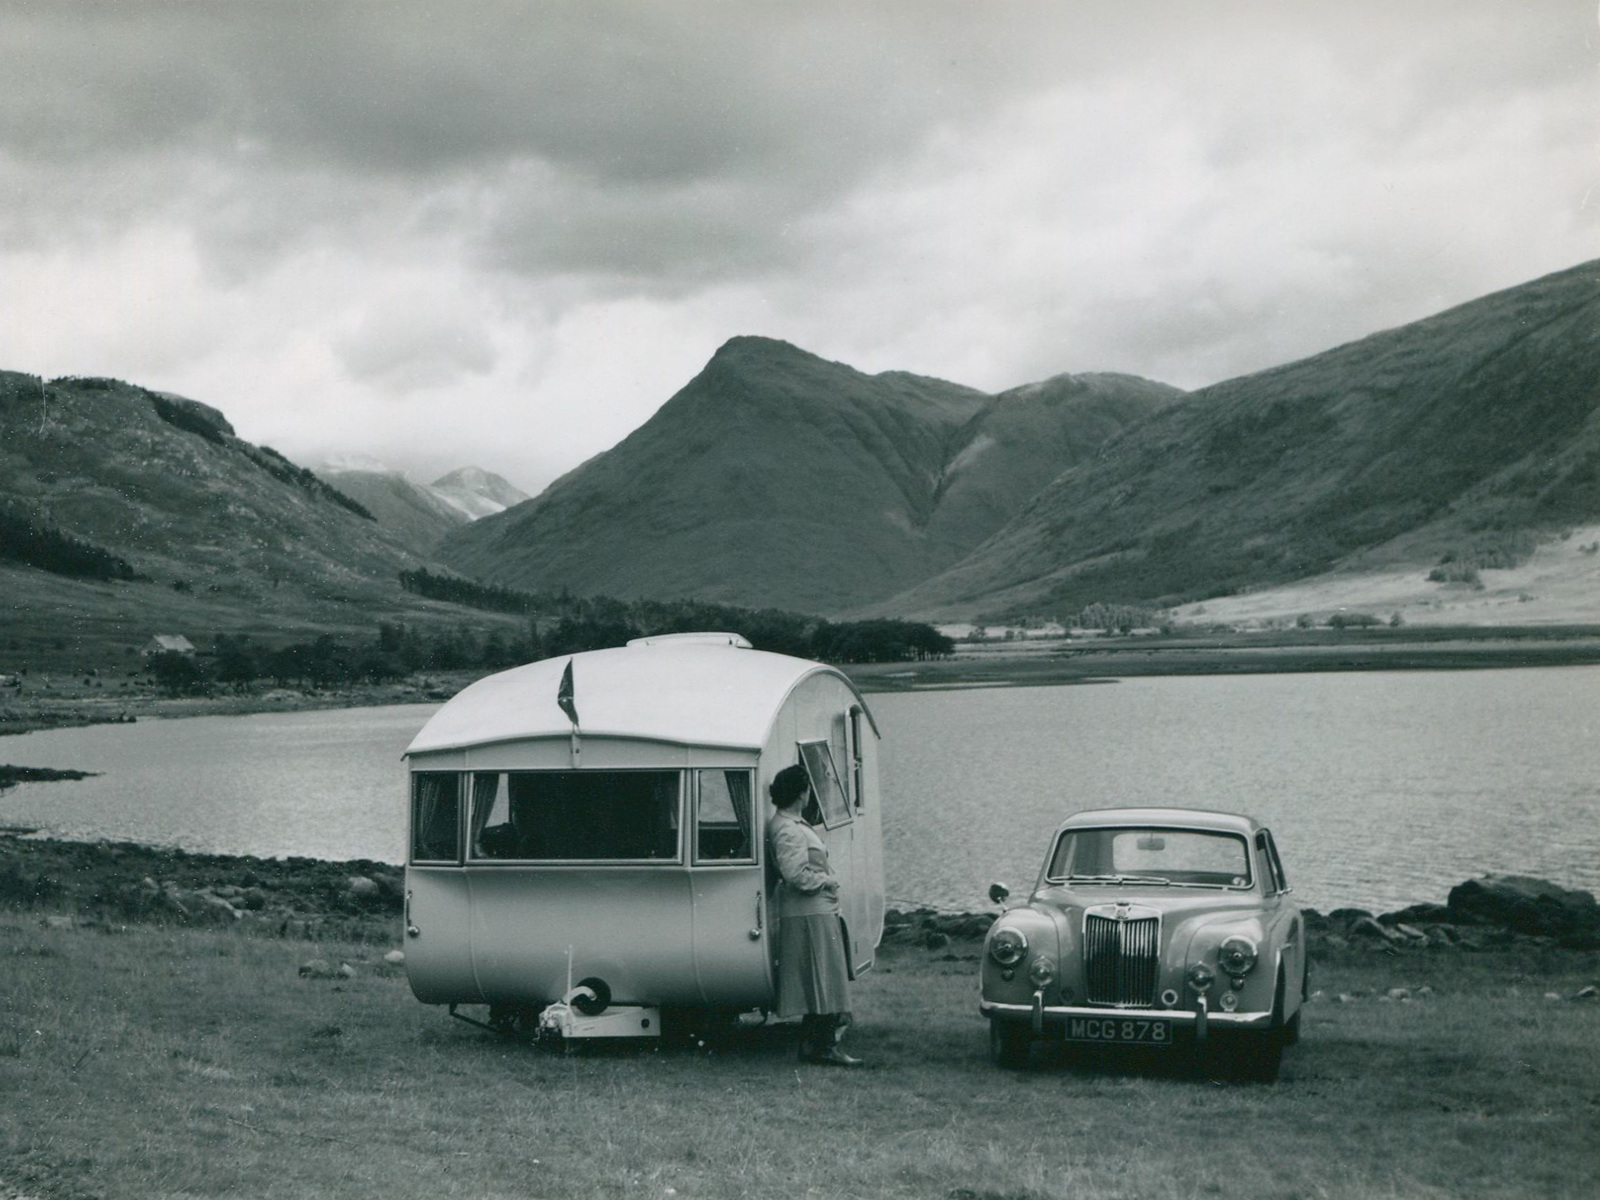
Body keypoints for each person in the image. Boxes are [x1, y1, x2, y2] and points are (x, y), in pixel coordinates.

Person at [767, 763, 861, 1067]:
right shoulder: (788, 828)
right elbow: (794, 874)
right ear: (800, 793)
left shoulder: (790, 823)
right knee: (823, 977)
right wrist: (828, 881)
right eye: (807, 788)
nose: (810, 794)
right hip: (809, 911)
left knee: (820, 977)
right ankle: (823, 1046)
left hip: (813, 911)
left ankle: (816, 1043)